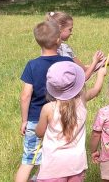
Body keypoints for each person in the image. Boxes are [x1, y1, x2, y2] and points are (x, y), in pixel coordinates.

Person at [15, 20, 74, 182]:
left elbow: (25, 95)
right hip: (61, 118)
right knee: (51, 159)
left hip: (35, 119)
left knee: (28, 161)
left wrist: (24, 120)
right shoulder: (67, 63)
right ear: (58, 40)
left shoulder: (32, 65)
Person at [35, 61, 108, 182]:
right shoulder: (81, 100)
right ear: (77, 84)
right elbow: (96, 90)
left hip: (53, 166)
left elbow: (39, 133)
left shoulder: (48, 108)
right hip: (76, 164)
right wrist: (100, 74)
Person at [46, 11, 105, 80]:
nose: (71, 33)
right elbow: (83, 71)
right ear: (60, 28)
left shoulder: (46, 47)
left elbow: (79, 67)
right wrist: (95, 61)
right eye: (70, 29)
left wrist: (104, 62)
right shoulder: (65, 48)